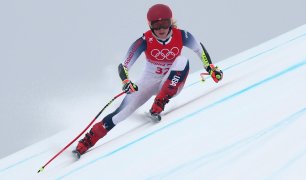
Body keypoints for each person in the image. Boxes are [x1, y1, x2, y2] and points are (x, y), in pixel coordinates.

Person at [73, 4, 223, 156]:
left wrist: (210, 68)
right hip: (149, 80)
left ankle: (158, 105)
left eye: (164, 23)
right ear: (150, 25)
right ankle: (86, 142)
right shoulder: (144, 40)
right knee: (120, 114)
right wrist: (126, 82)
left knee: (182, 60)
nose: (161, 29)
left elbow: (199, 48)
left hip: (172, 81)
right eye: (156, 25)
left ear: (170, 22)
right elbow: (124, 66)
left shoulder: (182, 35)